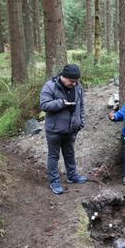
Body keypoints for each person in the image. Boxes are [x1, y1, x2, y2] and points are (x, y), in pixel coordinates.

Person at [40, 64, 87, 194]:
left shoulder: (78, 87)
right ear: (63, 77)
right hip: (54, 130)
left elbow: (81, 106)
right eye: (72, 81)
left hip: (72, 129)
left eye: (76, 81)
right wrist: (61, 103)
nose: (74, 83)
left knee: (70, 153)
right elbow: (44, 105)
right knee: (53, 156)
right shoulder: (50, 86)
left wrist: (80, 122)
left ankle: (72, 176)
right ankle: (54, 181)